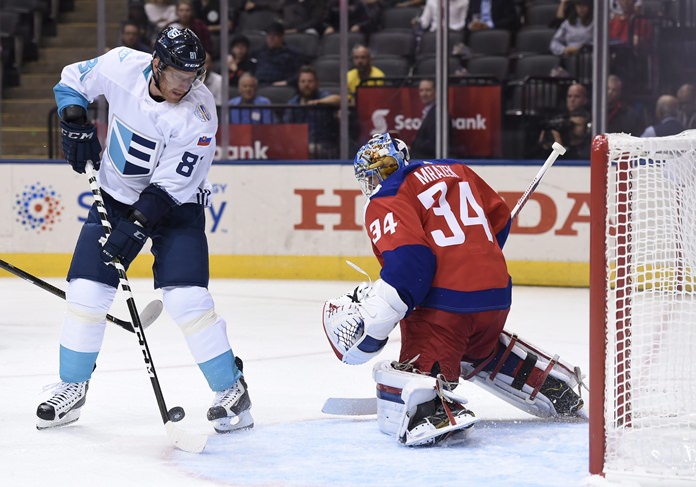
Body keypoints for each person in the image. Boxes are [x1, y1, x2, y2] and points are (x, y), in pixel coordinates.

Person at [38, 27, 253, 435]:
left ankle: (232, 388)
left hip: (175, 207)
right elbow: (71, 80)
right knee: (86, 294)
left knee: (187, 301)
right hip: (116, 195)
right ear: (156, 65)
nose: (186, 85)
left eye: (193, 77)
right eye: (178, 76)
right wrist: (73, 118)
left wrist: (137, 226)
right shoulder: (122, 64)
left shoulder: (200, 112)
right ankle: (71, 388)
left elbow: (173, 185)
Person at [322, 133, 586, 447]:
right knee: (476, 349)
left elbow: (410, 269)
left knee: (422, 338)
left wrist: (375, 319)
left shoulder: (387, 197)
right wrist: (471, 261)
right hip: (496, 294)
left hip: (446, 309)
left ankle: (429, 410)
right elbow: (499, 221)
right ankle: (547, 382)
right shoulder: (456, 170)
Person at [283, 65, 340, 158]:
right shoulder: (294, 102)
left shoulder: (322, 96)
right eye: (303, 81)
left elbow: (338, 99)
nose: (306, 85)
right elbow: (287, 128)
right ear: (298, 84)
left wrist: (318, 102)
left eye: (310, 81)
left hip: (323, 145)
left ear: (317, 83)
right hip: (299, 146)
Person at [538, 82, 591, 159]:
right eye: (569, 96)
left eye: (577, 96)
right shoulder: (558, 117)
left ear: (585, 100)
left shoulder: (592, 120)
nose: (572, 100)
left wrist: (562, 149)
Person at [253, 21, 301, 87]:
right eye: (269, 35)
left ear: (281, 37)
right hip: (258, 85)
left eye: (274, 35)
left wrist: (287, 82)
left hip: (279, 87)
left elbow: (300, 73)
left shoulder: (291, 54)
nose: (271, 38)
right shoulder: (258, 53)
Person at [409, 78, 437, 160]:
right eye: (421, 90)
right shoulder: (428, 111)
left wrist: (414, 144)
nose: (424, 94)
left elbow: (433, 144)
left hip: (430, 161)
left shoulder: (439, 113)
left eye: (428, 90)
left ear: (435, 91)